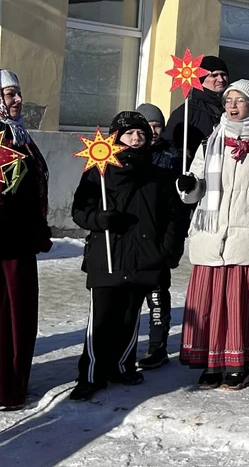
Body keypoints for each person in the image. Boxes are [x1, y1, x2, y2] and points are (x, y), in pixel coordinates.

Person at [177, 79, 249, 391]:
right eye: (228, 100)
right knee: (209, 303)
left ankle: (238, 364)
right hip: (211, 234)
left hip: (247, 234)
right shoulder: (210, 142)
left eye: (239, 101)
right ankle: (210, 363)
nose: (232, 106)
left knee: (239, 304)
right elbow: (196, 187)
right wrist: (187, 187)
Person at [71, 111, 185, 401]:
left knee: (129, 316)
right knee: (101, 319)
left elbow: (173, 216)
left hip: (142, 256)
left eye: (141, 134)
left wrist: (166, 251)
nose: (136, 139)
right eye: (129, 133)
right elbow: (80, 211)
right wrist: (100, 219)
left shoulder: (157, 175)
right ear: (115, 137)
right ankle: (91, 374)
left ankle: (122, 366)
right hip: (107, 254)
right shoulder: (98, 172)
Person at [0, 69, 50, 410]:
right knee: (5, 316)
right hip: (4, 244)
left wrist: (38, 227)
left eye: (17, 92)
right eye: (9, 94)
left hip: (21, 241)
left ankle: (15, 384)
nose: (18, 99)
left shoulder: (19, 134)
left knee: (21, 316)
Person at [133, 101, 181, 370]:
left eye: (157, 126)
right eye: (146, 126)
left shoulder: (172, 156)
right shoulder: (125, 155)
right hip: (132, 240)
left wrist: (173, 243)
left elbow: (178, 205)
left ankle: (157, 346)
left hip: (159, 237)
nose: (152, 131)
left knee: (157, 296)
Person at [165, 55, 230, 168]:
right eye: (214, 75)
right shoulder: (187, 111)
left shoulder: (232, 108)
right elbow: (169, 143)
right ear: (201, 78)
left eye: (223, 74)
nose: (221, 79)